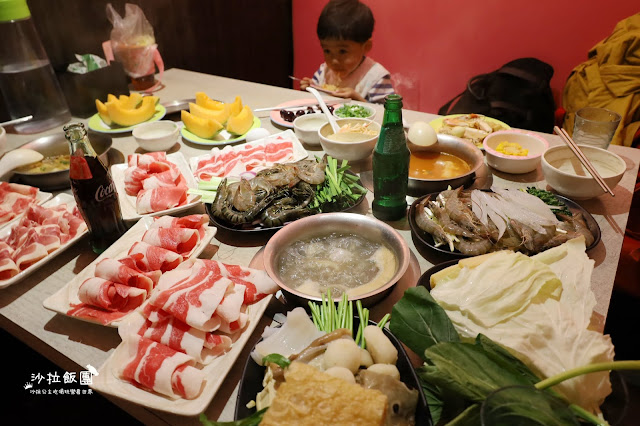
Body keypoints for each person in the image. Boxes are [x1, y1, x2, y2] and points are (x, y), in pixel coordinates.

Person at [300, 0, 394, 104]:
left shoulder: (377, 78)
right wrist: (310, 89)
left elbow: (387, 111)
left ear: (366, 46)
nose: (334, 61)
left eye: (342, 51)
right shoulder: (324, 72)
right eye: (327, 51)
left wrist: (359, 101)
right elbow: (316, 102)